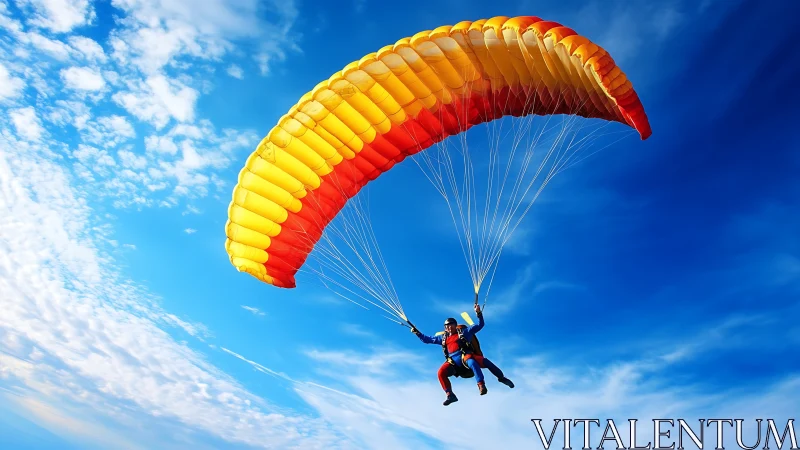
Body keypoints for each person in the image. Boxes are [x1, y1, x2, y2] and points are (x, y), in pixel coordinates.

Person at [411, 303, 514, 406]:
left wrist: (478, 313)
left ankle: (490, 382)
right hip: (453, 362)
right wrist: (417, 333)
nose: (449, 327)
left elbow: (480, 325)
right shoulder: (443, 338)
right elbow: (427, 339)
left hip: (465, 356)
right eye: (447, 326)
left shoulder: (464, 332)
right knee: (440, 372)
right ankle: (450, 395)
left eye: (451, 325)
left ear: (455, 325)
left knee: (480, 362)